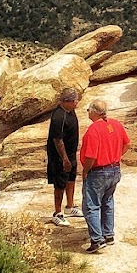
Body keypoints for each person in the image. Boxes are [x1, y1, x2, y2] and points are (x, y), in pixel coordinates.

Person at [79, 98, 130, 254]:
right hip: (114, 169)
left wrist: (86, 170)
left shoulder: (94, 130)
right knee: (108, 202)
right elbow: (127, 144)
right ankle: (108, 235)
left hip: (98, 171)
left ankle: (97, 240)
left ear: (94, 112)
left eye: (88, 110)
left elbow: (91, 156)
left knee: (91, 205)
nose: (88, 113)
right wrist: (115, 157)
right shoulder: (115, 124)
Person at [46, 88, 80, 226]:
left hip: (71, 153)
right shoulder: (59, 117)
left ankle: (70, 207)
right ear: (66, 102)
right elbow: (57, 140)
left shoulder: (70, 111)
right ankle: (57, 213)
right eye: (74, 101)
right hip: (60, 157)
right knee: (59, 184)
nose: (76, 103)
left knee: (71, 178)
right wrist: (65, 159)